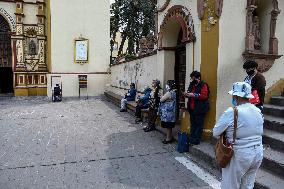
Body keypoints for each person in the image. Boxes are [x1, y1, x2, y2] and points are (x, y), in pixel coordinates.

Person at [213, 82, 263, 189]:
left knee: (230, 185)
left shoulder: (232, 111)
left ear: (235, 96)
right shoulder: (258, 110)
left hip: (239, 153)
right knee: (248, 185)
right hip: (258, 152)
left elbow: (216, 132)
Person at [183, 71, 209, 145]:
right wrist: (186, 94)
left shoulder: (203, 85)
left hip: (200, 108)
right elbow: (189, 93)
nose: (192, 79)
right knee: (193, 124)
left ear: (198, 78)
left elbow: (204, 96)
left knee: (199, 125)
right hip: (192, 108)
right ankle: (192, 138)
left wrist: (193, 95)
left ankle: (196, 139)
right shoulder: (192, 84)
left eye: (193, 78)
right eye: (191, 78)